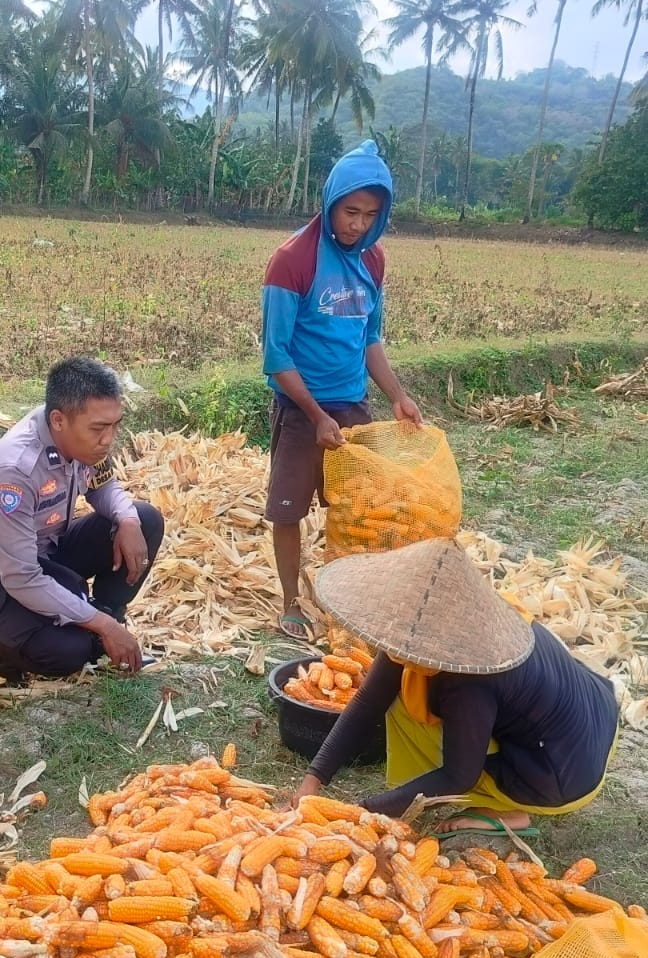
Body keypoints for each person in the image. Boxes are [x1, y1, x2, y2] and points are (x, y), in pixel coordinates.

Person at [295, 539, 620, 836]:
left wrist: (358, 812)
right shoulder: (432, 622)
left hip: (564, 772)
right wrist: (312, 781)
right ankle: (417, 793)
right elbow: (369, 700)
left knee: (411, 706)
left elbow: (457, 776)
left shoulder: (470, 678)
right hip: (596, 721)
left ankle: (507, 810)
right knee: (404, 690)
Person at [261, 138, 423, 641]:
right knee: (288, 510)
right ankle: (291, 602)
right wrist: (315, 416)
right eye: (350, 211)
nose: (358, 224)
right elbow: (276, 357)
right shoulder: (292, 260)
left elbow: (370, 339)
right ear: (330, 202)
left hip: (354, 407)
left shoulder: (374, 262)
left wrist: (397, 394)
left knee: (354, 509)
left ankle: (345, 595)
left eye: (371, 215)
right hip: (300, 412)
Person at [0, 357, 164, 679]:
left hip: (43, 551)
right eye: (100, 429)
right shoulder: (14, 471)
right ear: (59, 420)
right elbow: (20, 576)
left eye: (115, 425)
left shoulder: (80, 436)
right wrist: (98, 625)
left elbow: (103, 486)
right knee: (66, 652)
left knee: (145, 520)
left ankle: (109, 615)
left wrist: (127, 520)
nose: (109, 439)